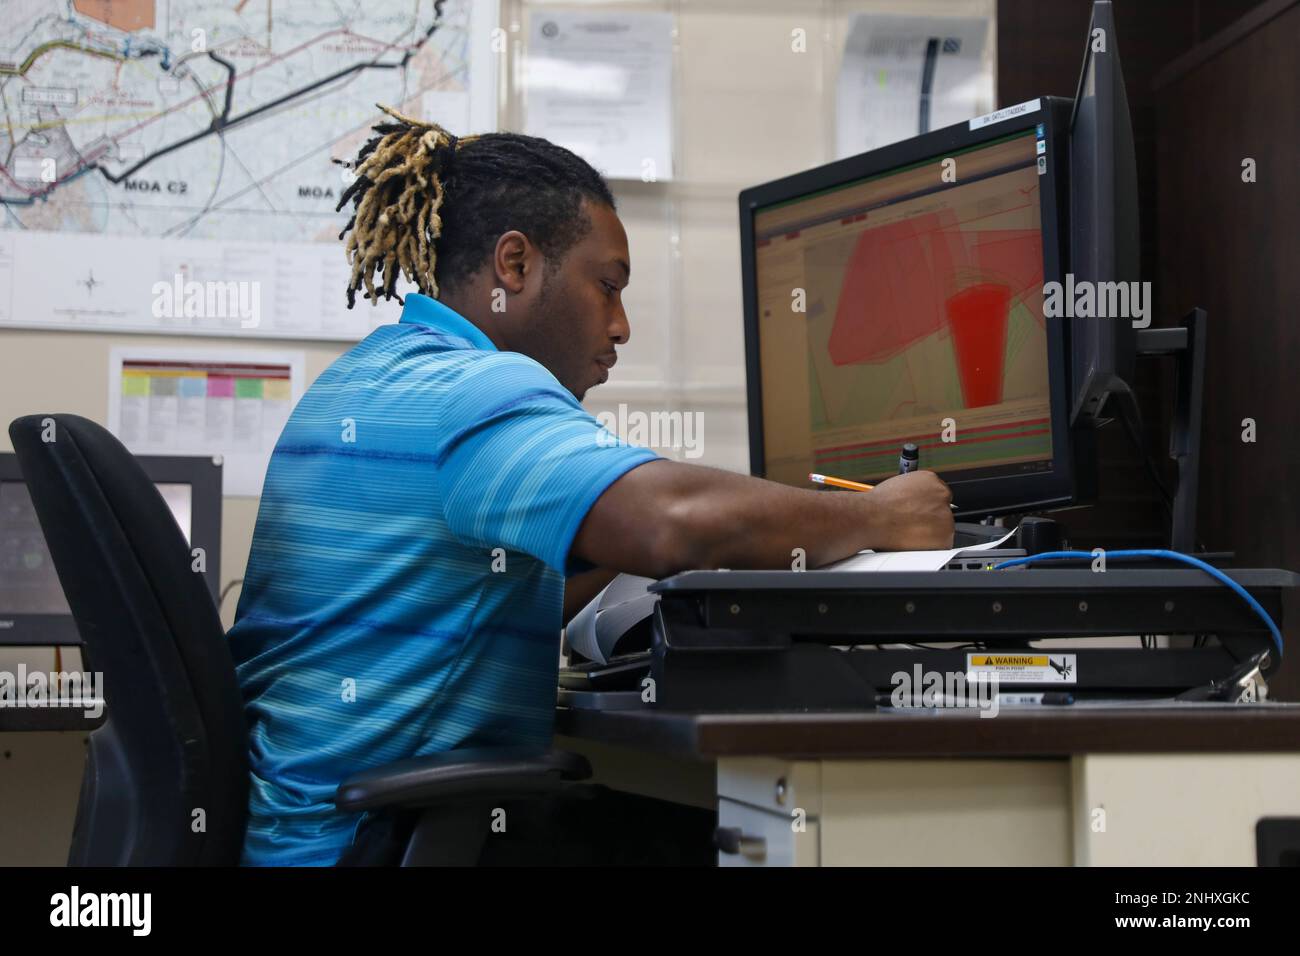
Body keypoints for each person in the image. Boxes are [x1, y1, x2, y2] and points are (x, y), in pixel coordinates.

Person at [228, 106, 953, 865]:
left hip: (309, 836)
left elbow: (482, 581)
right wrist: (875, 515)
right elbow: (671, 523)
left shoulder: (372, 379)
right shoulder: (473, 391)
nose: (621, 326)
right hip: (371, 847)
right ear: (515, 266)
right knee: (762, 839)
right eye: (607, 286)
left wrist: (706, 524)